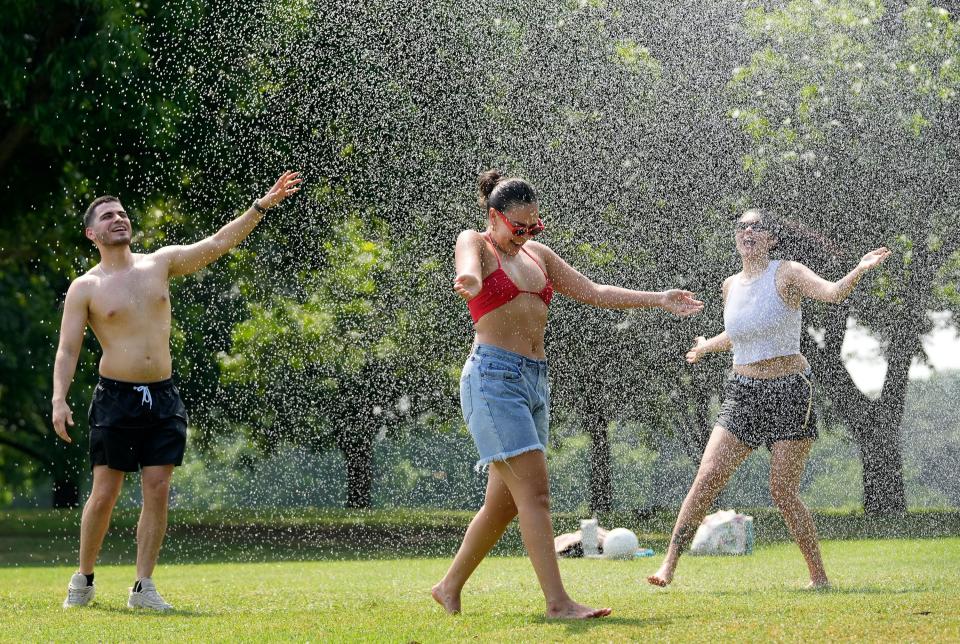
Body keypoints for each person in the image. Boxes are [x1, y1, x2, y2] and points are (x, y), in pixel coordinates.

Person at [431, 170, 704, 619]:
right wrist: (472, 282)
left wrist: (658, 298)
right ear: (495, 217)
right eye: (518, 227)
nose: (526, 234)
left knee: (502, 506)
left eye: (533, 226)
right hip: (494, 380)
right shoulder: (476, 243)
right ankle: (558, 603)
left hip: (534, 381)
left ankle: (449, 586)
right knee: (536, 496)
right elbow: (467, 267)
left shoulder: (537, 255)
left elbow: (594, 291)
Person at [53, 171, 302, 610]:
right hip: (115, 397)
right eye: (108, 217)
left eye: (123, 214)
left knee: (158, 487)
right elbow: (68, 349)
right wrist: (59, 398)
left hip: (163, 395)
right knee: (105, 493)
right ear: (92, 233)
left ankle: (142, 586)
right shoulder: (85, 287)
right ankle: (85, 577)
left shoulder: (160, 262)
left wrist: (261, 206)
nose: (119, 220)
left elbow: (218, 243)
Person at [647, 208, 890, 590]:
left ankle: (819, 577)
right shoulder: (730, 285)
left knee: (782, 491)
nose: (747, 232)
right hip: (743, 393)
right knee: (706, 478)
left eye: (756, 227)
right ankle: (667, 566)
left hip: (790, 391)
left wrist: (858, 270)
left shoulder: (788, 272)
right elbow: (741, 333)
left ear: (771, 239)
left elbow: (831, 293)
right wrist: (707, 346)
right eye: (742, 227)